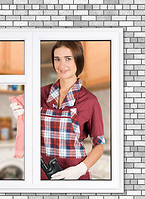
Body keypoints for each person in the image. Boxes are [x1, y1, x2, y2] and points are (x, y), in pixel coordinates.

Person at [11, 41, 106, 180]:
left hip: (75, 177)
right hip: (42, 175)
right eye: (57, 59)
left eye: (68, 58)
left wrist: (79, 170)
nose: (62, 65)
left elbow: (99, 146)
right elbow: (29, 129)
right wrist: (20, 118)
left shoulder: (90, 101)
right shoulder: (40, 94)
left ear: (78, 60)